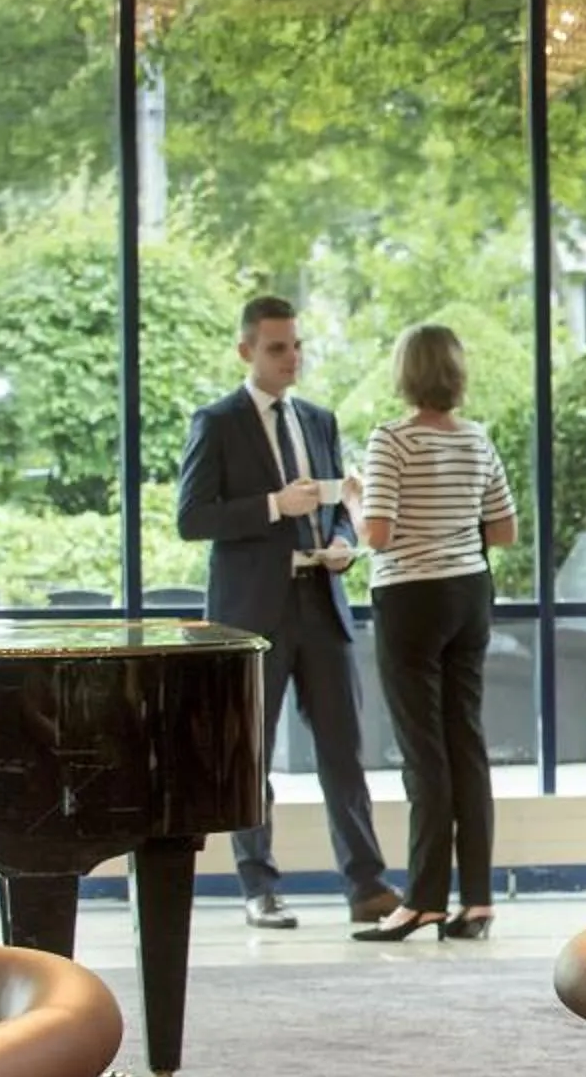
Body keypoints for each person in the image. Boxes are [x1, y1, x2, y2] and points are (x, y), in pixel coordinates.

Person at [176, 295, 400, 930]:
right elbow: (192, 518)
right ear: (246, 351)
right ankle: (260, 888)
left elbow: (335, 506)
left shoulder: (319, 420)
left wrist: (343, 544)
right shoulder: (217, 422)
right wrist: (274, 505)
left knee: (343, 752)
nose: (291, 358)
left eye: (297, 346)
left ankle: (367, 886)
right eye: (277, 348)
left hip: (321, 602)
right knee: (252, 755)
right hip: (253, 615)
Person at [352, 325, 520, 943]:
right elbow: (504, 531)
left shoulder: (391, 440)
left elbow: (377, 535)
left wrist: (353, 499)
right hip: (469, 595)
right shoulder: (477, 438)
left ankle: (422, 900)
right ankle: (476, 901)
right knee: (465, 745)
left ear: (405, 373)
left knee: (423, 752)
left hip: (410, 599)